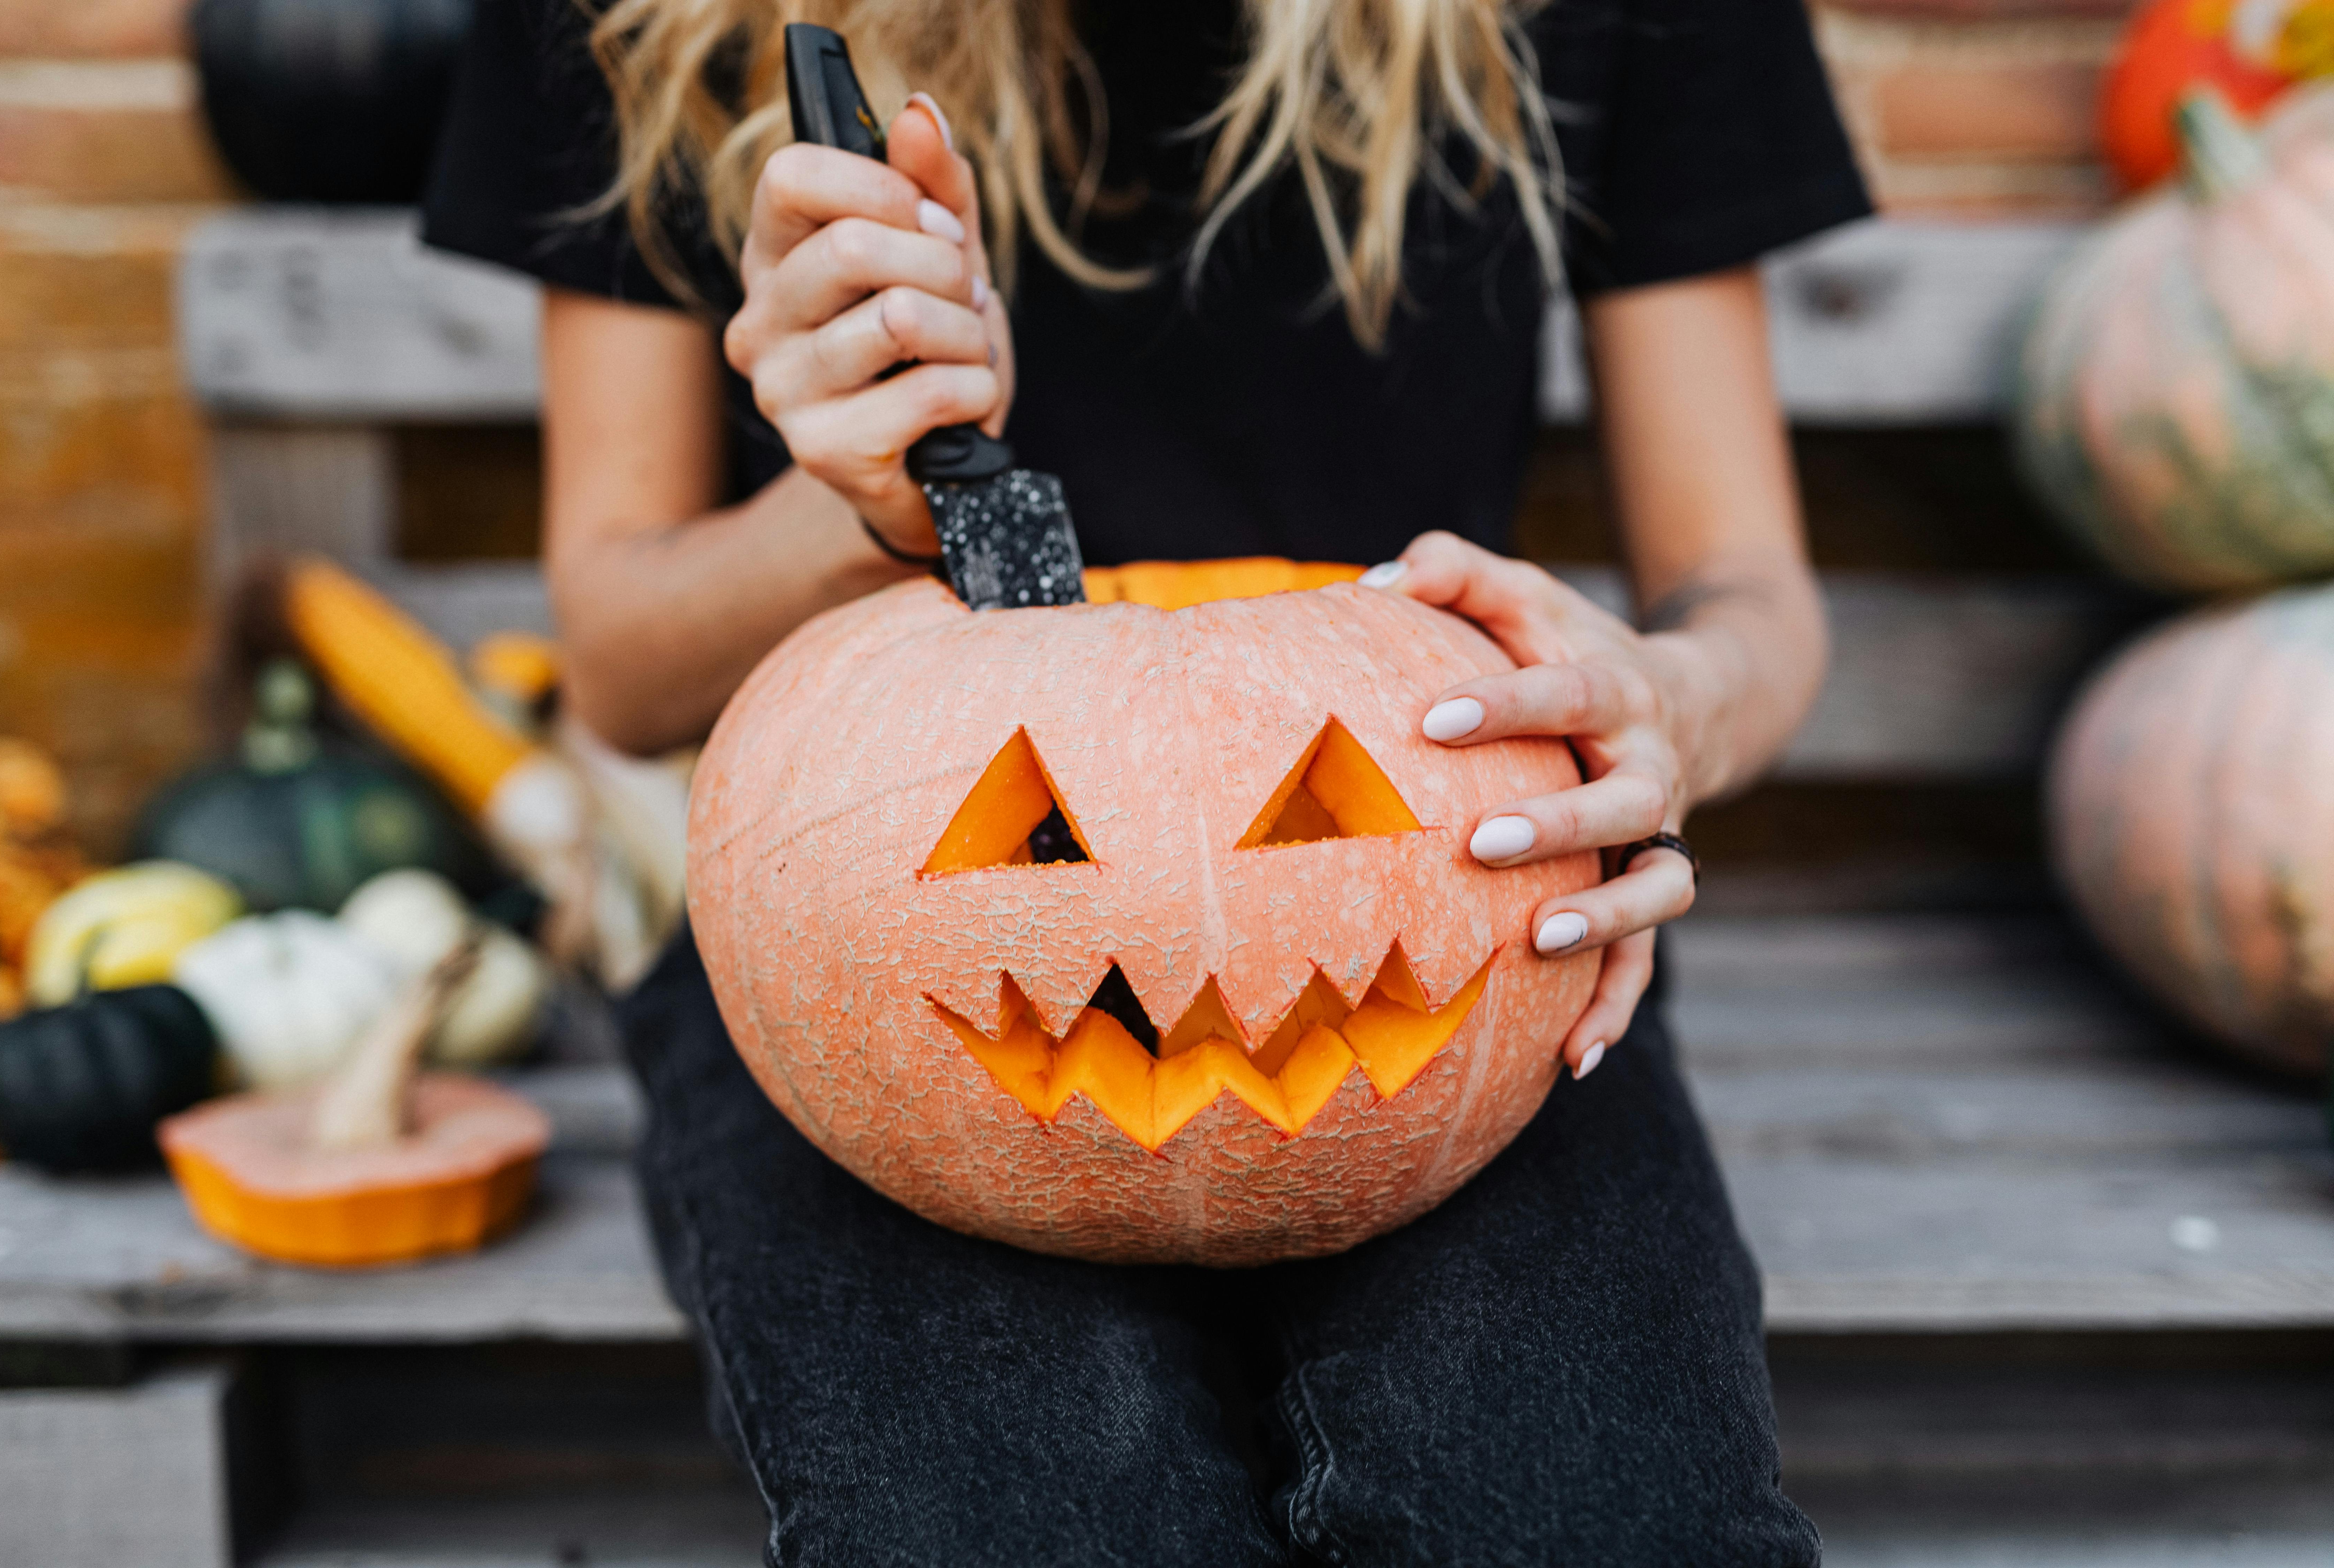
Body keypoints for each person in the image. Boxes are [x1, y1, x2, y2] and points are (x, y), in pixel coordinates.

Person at [426, 0, 1865, 1560]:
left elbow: (1746, 593)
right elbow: (625, 670)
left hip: (1452, 920)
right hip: (875, 936)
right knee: (1034, 1526)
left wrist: (1676, 701)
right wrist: (859, 497)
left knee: (1592, 1522)